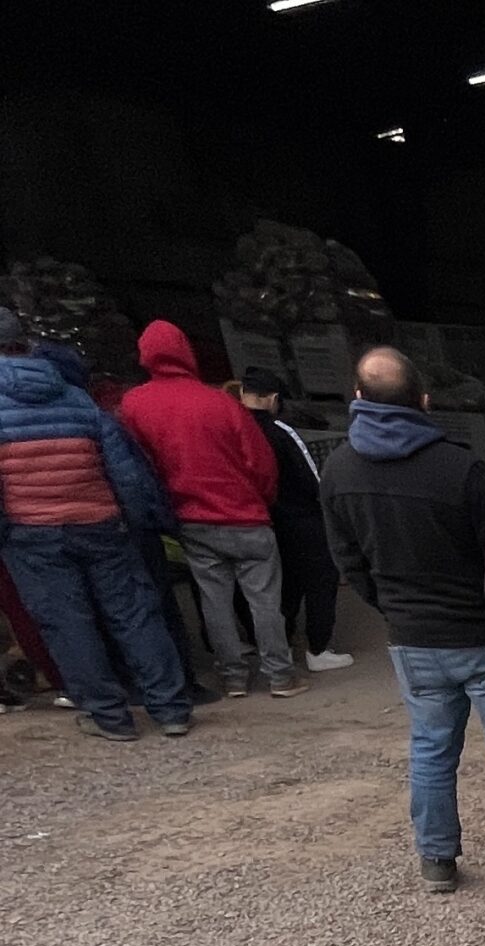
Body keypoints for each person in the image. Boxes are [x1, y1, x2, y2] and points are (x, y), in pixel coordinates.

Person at [320, 346, 485, 894]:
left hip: (413, 638)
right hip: (483, 637)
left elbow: (347, 558)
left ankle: (436, 859)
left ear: (357, 397)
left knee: (431, 748)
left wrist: (391, 606)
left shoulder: (338, 470)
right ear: (425, 401)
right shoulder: (465, 471)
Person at [0, 307, 194, 741]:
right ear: (24, 344)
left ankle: (109, 716)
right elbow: (124, 471)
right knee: (135, 614)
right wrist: (132, 521)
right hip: (101, 523)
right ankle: (171, 708)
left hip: (31, 534)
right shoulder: (75, 397)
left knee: (67, 623)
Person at [116, 320, 300, 698]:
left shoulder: (133, 405)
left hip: (191, 518)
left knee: (214, 601)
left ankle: (233, 677)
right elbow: (260, 463)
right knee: (264, 600)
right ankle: (280, 676)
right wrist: (261, 500)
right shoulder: (221, 402)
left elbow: (135, 467)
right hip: (246, 515)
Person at [238, 370, 353, 670]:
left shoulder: (233, 427)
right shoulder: (280, 430)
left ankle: (282, 646)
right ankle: (318, 647)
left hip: (257, 519)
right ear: (274, 399)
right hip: (300, 518)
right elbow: (310, 479)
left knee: (278, 586)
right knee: (321, 579)